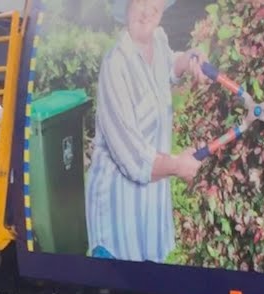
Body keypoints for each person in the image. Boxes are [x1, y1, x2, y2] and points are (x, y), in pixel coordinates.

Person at [85, 0, 207, 263]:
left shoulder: (158, 40)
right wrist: (177, 165)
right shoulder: (116, 65)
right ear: (127, 6)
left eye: (156, 6)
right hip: (117, 226)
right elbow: (134, 159)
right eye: (141, 2)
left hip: (148, 216)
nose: (147, 11)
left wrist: (188, 60)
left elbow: (168, 67)